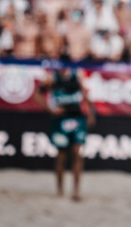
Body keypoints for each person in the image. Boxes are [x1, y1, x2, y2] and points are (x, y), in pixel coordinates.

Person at [34, 66, 95, 201]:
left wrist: (90, 113)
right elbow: (37, 94)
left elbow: (85, 94)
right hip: (60, 119)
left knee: (77, 152)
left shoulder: (77, 76)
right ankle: (60, 190)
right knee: (61, 154)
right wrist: (50, 109)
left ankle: (76, 191)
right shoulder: (52, 78)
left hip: (77, 118)